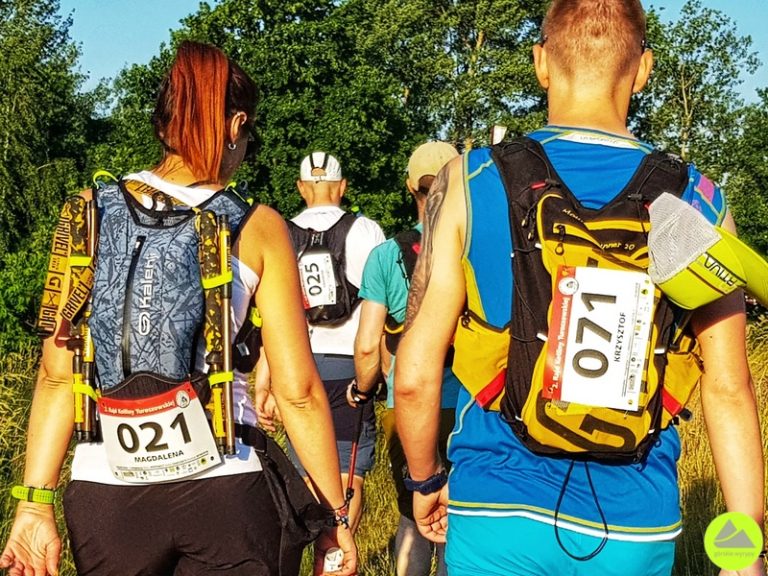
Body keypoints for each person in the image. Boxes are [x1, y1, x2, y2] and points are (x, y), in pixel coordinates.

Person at [393, 2, 765, 576]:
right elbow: (729, 387)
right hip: (635, 520)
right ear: (643, 71)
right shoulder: (697, 200)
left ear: (541, 63)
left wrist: (424, 481)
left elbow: (415, 376)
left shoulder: (470, 181)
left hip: (496, 509)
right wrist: (747, 549)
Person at [0, 41, 355, 576]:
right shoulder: (257, 225)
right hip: (226, 486)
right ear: (236, 125)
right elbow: (298, 392)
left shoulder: (86, 215)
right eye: (249, 138)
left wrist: (34, 505)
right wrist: (333, 515)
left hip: (106, 492)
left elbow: (55, 377)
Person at [259, 152, 385, 535]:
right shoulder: (367, 231)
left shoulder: (281, 232)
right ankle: (337, 551)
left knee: (308, 473)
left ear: (301, 188)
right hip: (352, 368)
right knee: (349, 475)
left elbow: (272, 315)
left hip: (298, 367)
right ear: (342, 186)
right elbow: (382, 308)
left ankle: (317, 549)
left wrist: (266, 378)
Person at [352, 141, 459, 576]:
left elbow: (367, 344)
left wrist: (362, 389)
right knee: (457, 522)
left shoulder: (385, 255)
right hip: (468, 404)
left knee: (412, 519)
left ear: (410, 187)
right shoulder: (475, 248)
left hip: (407, 405)